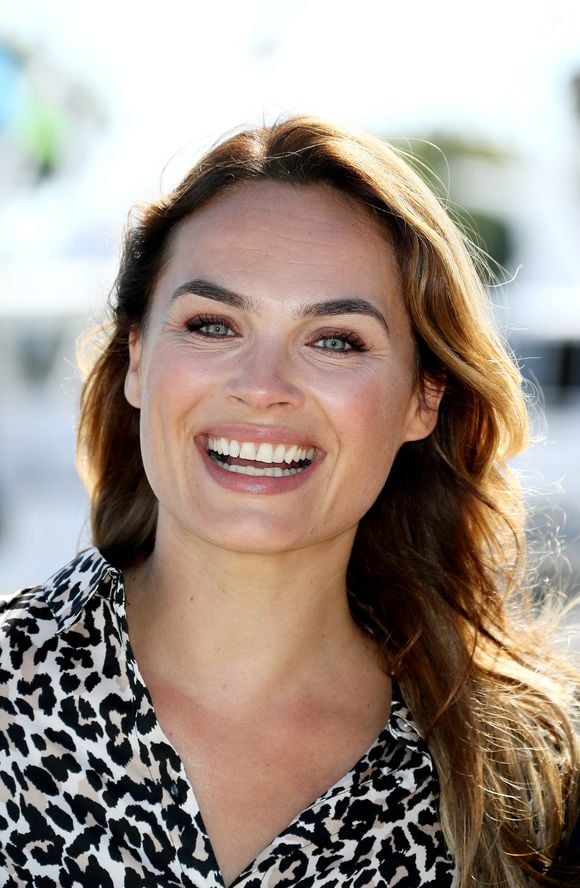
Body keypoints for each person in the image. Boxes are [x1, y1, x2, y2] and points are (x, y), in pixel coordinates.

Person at [0, 117, 578, 888]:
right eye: (213, 325)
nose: (263, 387)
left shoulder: (532, 780)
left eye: (335, 339)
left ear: (424, 397)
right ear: (137, 357)